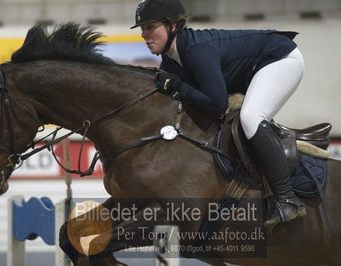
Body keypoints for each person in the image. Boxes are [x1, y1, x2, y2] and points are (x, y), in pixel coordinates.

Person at [131, 0, 306, 227]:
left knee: (251, 118)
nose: (144, 35)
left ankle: (287, 198)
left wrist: (180, 88)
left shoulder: (196, 50)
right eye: (143, 29)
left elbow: (216, 104)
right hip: (253, 70)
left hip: (281, 59)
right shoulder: (170, 59)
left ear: (173, 26)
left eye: (150, 27)